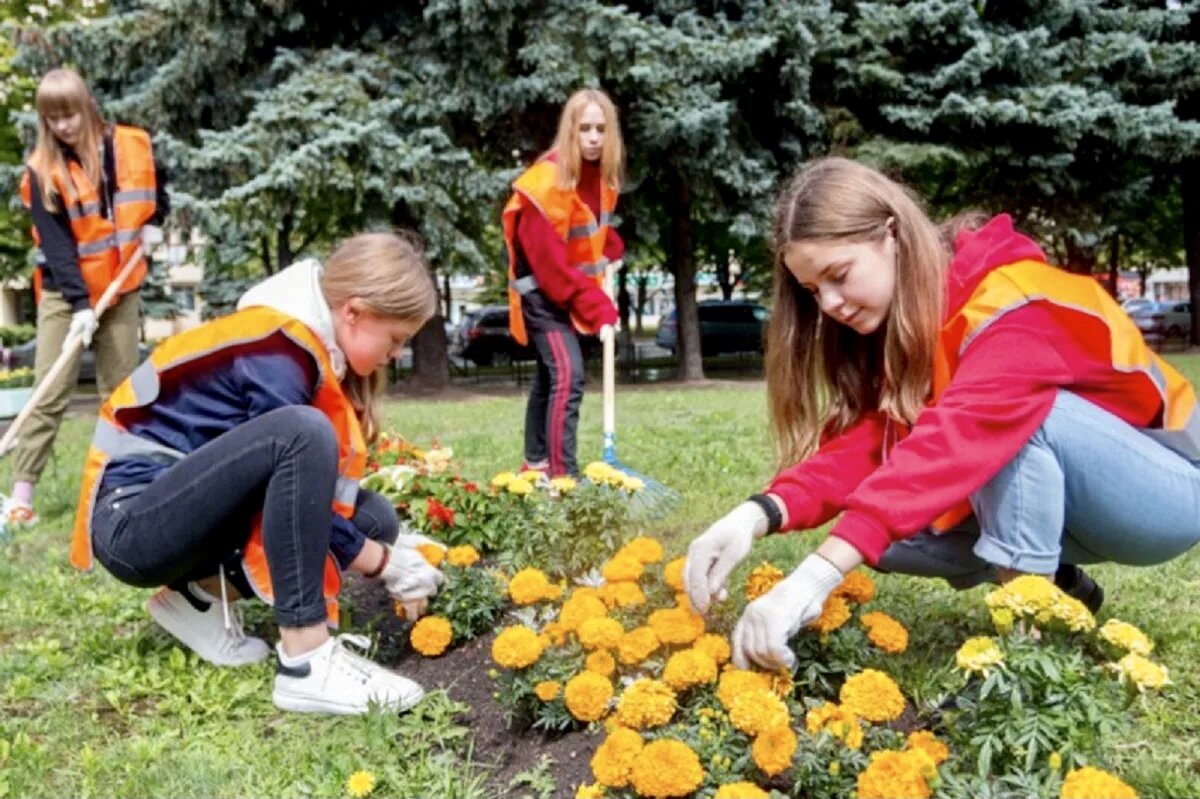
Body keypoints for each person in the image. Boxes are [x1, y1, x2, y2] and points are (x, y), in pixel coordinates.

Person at [685, 157, 1200, 671]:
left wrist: (814, 579)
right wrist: (755, 515)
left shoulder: (1011, 297)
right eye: (814, 291)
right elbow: (876, 444)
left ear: (892, 234)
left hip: (1170, 486)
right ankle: (1062, 591)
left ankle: (1025, 657)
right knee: (889, 538)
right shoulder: (914, 322)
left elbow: (962, 434)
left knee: (1022, 425)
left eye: (839, 276)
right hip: (1086, 496)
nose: (831, 305)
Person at [71, 232, 447, 715]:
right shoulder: (277, 350)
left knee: (371, 519)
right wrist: (383, 564)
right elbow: (292, 450)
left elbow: (296, 498)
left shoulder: (298, 346)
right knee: (301, 433)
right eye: (395, 340)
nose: (395, 355)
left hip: (173, 512)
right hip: (133, 524)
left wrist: (384, 548)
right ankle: (306, 661)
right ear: (353, 312)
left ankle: (198, 599)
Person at [7, 68, 170, 521]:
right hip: (66, 295)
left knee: (120, 392)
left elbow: (160, 185)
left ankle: (126, 486)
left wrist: (157, 221)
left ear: (86, 107)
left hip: (120, 289)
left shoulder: (130, 145)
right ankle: (21, 498)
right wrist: (79, 305)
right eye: (53, 118)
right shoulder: (42, 171)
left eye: (69, 114)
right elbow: (57, 246)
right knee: (48, 389)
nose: (63, 126)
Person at [502, 88, 625, 478]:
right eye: (584, 128)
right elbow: (552, 266)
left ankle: (534, 465)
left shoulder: (600, 181)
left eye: (601, 129)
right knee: (567, 375)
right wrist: (599, 309)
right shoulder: (546, 182)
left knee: (548, 375)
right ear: (569, 131)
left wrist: (612, 248)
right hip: (541, 295)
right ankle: (561, 479)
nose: (593, 137)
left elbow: (587, 234)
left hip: (565, 293)